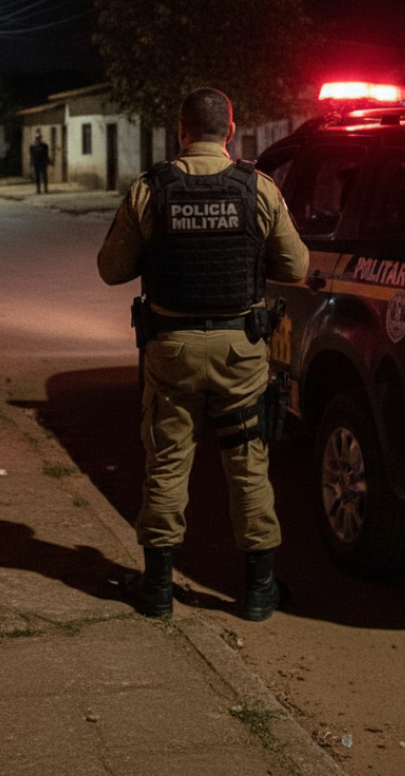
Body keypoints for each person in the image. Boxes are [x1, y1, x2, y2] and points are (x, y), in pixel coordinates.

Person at [97, 87, 308, 621]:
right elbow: (296, 266)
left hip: (173, 350)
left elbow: (111, 269)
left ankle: (158, 588)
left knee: (167, 462)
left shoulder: (151, 188)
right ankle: (259, 591)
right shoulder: (258, 188)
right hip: (240, 351)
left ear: (180, 130)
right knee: (248, 463)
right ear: (230, 131)